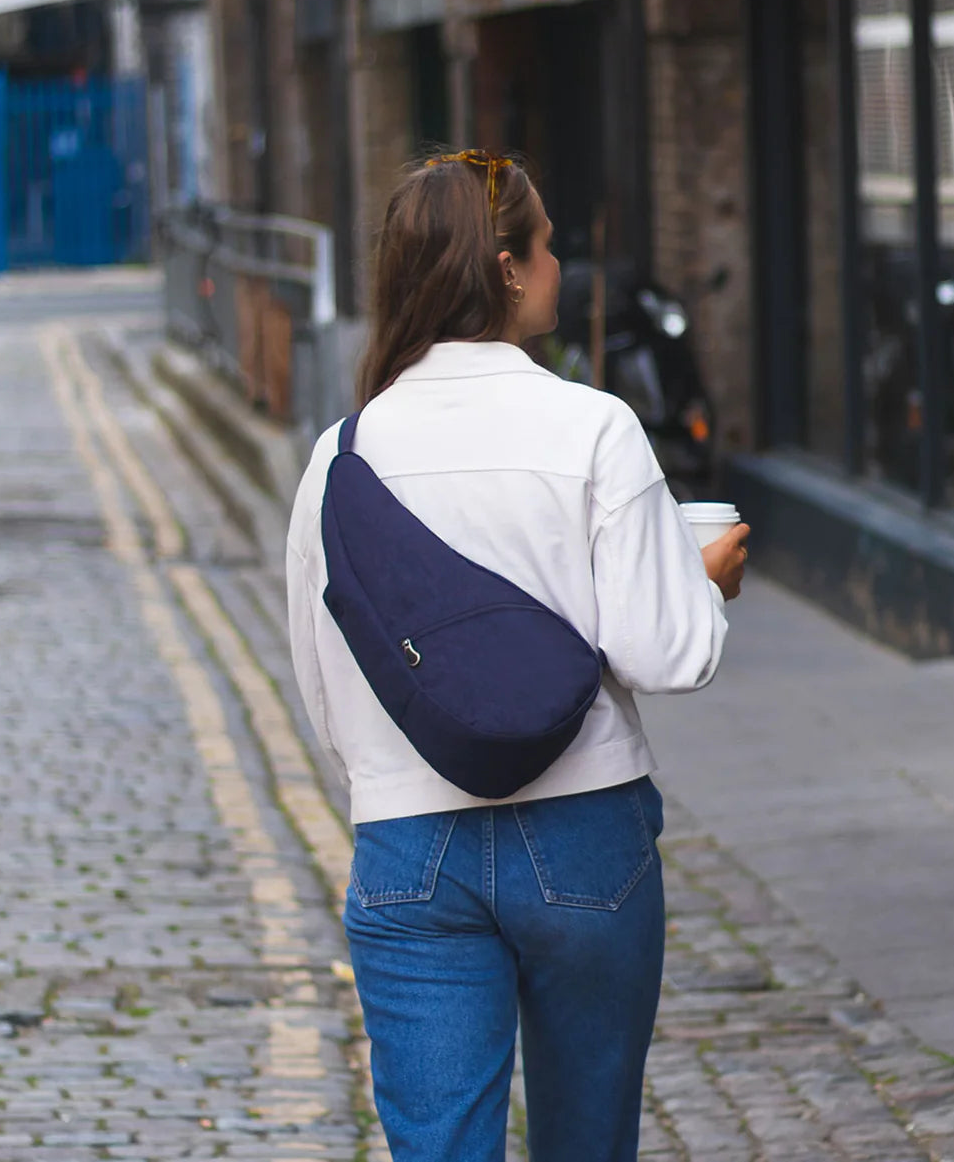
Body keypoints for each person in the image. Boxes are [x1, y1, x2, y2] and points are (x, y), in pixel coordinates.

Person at [286, 150, 749, 1162]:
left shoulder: (341, 455)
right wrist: (700, 583)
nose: (556, 264)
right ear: (505, 267)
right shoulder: (594, 429)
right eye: (543, 245)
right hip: (584, 831)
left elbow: (324, 686)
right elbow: (664, 651)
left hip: (409, 839)